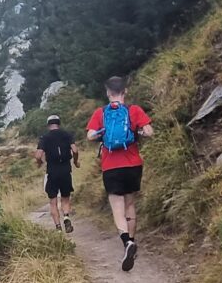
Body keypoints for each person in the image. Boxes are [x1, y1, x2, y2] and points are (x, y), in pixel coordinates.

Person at [85, 75, 154, 272]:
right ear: (125, 91)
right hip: (133, 164)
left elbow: (90, 135)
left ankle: (126, 243)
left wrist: (100, 134)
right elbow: (149, 131)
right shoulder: (134, 110)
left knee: (117, 206)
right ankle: (132, 240)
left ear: (107, 92)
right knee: (130, 203)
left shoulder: (101, 113)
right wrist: (138, 133)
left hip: (111, 166)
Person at [35, 114, 79, 232]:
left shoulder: (44, 137)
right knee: (65, 198)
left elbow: (38, 155)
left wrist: (40, 163)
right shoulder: (67, 134)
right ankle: (66, 217)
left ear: (48, 125)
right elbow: (75, 150)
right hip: (65, 170)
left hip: (52, 171)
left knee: (53, 201)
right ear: (59, 124)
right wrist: (75, 161)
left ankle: (58, 228)